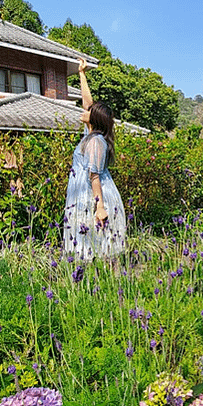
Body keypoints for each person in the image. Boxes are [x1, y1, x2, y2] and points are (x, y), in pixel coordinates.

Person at [63, 58, 126, 259]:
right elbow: (88, 102)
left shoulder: (96, 141)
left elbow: (94, 176)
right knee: (90, 243)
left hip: (94, 195)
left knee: (96, 244)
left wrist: (100, 207)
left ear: (94, 118)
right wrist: (82, 74)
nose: (85, 110)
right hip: (84, 192)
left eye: (89, 112)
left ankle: (100, 281)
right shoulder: (90, 134)